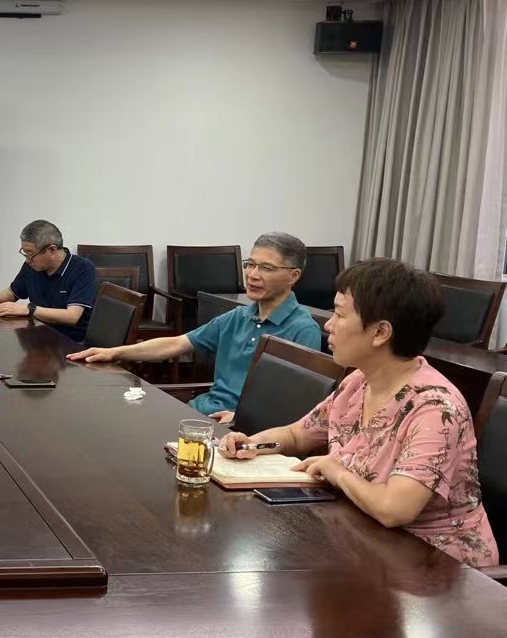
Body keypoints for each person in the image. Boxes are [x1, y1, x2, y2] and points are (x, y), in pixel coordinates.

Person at [221, 258, 498, 568]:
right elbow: (297, 435)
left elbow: (394, 510)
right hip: (364, 539)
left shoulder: (435, 408)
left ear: (380, 332)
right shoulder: (360, 381)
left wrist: (337, 472)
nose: (328, 324)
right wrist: (251, 444)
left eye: (340, 314)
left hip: (437, 566)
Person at [71, 232, 323, 422]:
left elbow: (295, 405)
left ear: (293, 276)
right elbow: (177, 344)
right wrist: (114, 352)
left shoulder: (303, 330)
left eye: (266, 268)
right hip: (200, 413)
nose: (253, 274)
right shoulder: (237, 316)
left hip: (240, 428)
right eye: (250, 264)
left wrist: (240, 417)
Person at [0, 220, 97, 343]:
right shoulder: (32, 266)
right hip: (36, 335)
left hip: (69, 343)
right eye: (25, 254)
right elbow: (13, 292)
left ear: (52, 250)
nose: (27, 260)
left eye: (30, 254)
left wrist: (30, 309)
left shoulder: (83, 268)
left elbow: (72, 316)